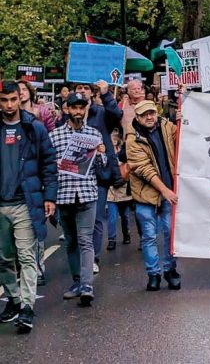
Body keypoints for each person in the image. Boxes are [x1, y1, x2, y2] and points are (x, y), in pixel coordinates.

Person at [0, 82, 57, 334]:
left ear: (19, 99)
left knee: (26, 256)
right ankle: (13, 298)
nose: (9, 105)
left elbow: (48, 162)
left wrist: (50, 196)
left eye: (13, 99)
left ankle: (26, 307)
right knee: (3, 259)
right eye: (4, 100)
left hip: (25, 201)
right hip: (1, 204)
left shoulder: (34, 127)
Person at [50, 93, 108, 307]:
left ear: (85, 109)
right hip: (64, 194)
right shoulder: (54, 136)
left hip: (87, 193)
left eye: (81, 108)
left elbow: (102, 167)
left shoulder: (94, 134)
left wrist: (102, 153)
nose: (78, 112)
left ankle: (86, 285)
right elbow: (46, 167)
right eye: (74, 108)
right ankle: (77, 282)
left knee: (85, 239)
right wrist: (54, 164)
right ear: (67, 109)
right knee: (72, 241)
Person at [126, 100, 181, 291]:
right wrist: (165, 190)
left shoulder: (167, 127)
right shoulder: (133, 139)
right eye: (144, 115)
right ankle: (153, 274)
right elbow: (145, 170)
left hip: (169, 191)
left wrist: (183, 121)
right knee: (149, 236)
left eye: (151, 113)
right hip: (146, 195)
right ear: (138, 118)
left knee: (170, 233)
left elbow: (183, 137)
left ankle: (170, 270)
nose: (149, 117)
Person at [70, 82, 122, 273]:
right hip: (75, 174)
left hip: (99, 173)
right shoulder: (68, 117)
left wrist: (107, 94)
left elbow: (117, 115)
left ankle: (93, 258)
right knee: (76, 219)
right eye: (78, 88)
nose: (82, 91)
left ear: (92, 93)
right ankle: (80, 256)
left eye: (85, 88)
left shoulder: (101, 113)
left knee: (97, 217)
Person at [107, 132, 132, 249]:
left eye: (115, 138)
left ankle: (126, 234)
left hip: (123, 190)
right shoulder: (105, 153)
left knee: (125, 216)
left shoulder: (123, 153)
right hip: (111, 190)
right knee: (112, 217)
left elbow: (129, 167)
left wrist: (123, 180)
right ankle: (111, 240)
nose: (113, 140)